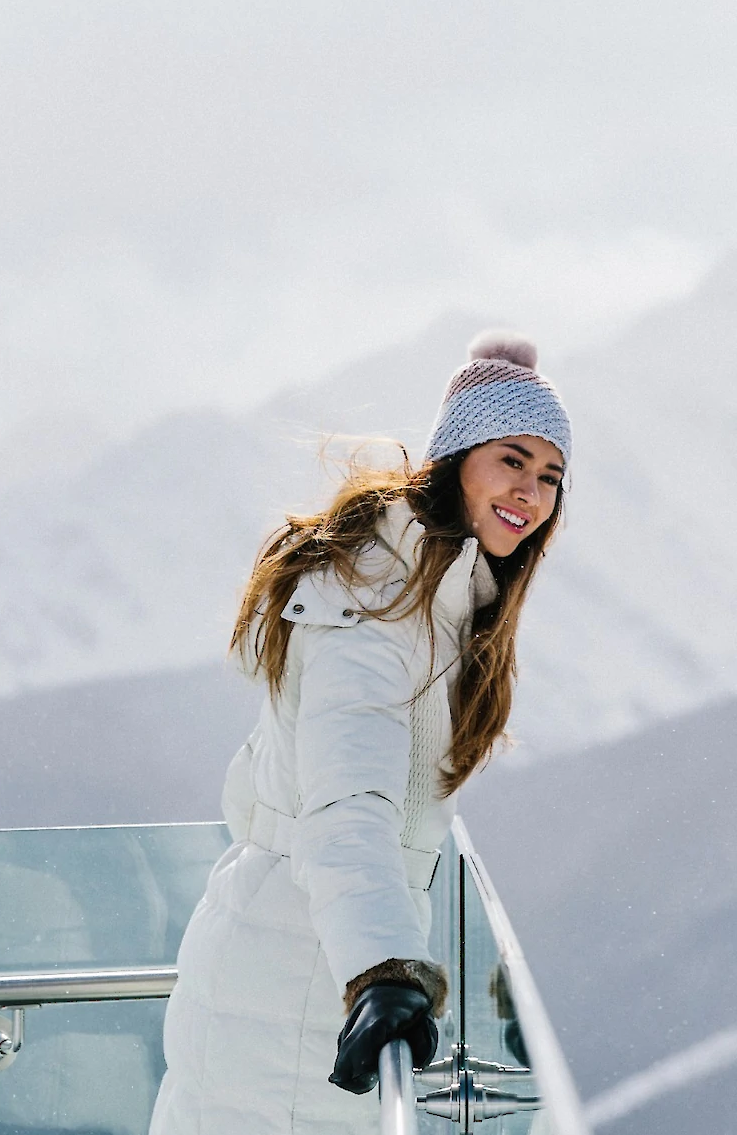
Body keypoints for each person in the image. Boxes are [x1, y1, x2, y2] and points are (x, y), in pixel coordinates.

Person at [149, 331, 571, 1133]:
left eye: (551, 475)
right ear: (458, 455)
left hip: (300, 963)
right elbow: (347, 805)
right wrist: (382, 967)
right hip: (301, 984)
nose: (532, 491)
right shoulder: (378, 602)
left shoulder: (426, 593)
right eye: (512, 459)